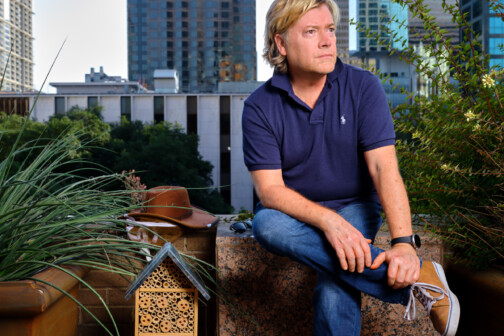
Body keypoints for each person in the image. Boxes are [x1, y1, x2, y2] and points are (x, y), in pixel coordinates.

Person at [241, 0, 460, 335]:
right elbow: (269, 191)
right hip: (295, 216)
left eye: (330, 29)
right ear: (281, 43)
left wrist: (402, 243)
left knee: (333, 289)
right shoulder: (259, 106)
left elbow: (384, 169)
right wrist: (329, 222)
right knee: (266, 225)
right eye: (311, 32)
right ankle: (420, 282)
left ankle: (418, 277)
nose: (328, 41)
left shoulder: (363, 86)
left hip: (357, 205)